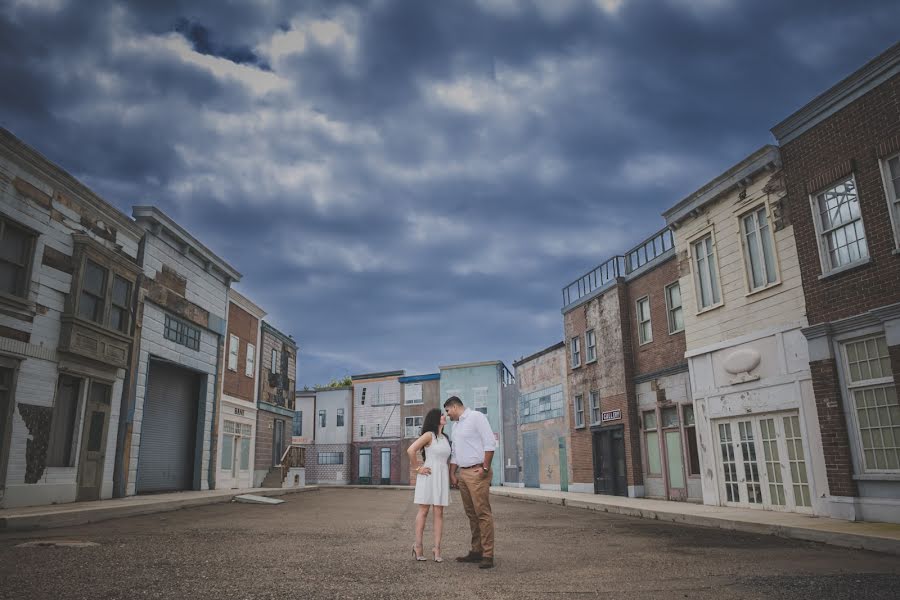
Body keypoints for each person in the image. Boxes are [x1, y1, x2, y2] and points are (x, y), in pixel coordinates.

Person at [444, 395, 496, 569]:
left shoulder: (476, 417)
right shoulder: (456, 426)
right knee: (471, 514)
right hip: (464, 474)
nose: (447, 415)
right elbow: (455, 453)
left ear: (455, 406)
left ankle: (488, 555)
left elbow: (490, 443)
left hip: (477, 471)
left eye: (447, 411)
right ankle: (476, 551)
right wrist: (452, 473)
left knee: (482, 513)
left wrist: (485, 468)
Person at [407, 407, 451, 562]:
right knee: (424, 511)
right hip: (428, 476)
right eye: (441, 415)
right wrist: (418, 468)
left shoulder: (445, 437)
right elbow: (411, 450)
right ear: (434, 418)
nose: (445, 416)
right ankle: (418, 546)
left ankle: (437, 549)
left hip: (441, 477)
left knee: (439, 513)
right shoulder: (428, 435)